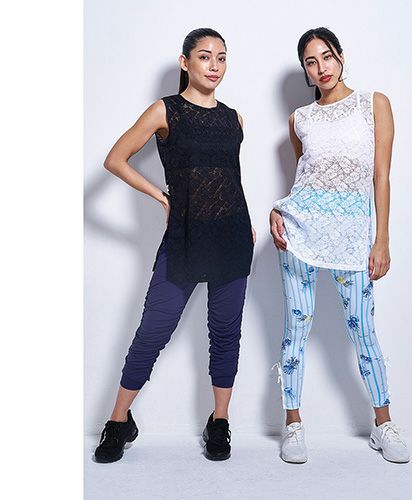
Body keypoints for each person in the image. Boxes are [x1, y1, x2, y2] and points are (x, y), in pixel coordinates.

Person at [94, 28, 255, 463]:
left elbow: (231, 179)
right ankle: (118, 421)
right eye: (204, 56)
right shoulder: (165, 110)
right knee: (153, 330)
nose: (214, 65)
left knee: (225, 333)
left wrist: (247, 224)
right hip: (184, 237)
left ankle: (219, 420)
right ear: (185, 62)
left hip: (232, 237)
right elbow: (115, 159)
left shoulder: (234, 119)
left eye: (222, 57)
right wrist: (162, 197)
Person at [270, 27, 410, 464]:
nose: (321, 68)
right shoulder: (300, 118)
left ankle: (383, 423)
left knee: (363, 331)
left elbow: (381, 176)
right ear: (306, 71)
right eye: (311, 62)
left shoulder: (374, 104)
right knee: (296, 331)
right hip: (298, 236)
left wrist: (381, 239)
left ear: (341, 57)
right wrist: (279, 210)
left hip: (353, 239)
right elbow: (304, 177)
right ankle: (293, 424)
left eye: (327, 56)